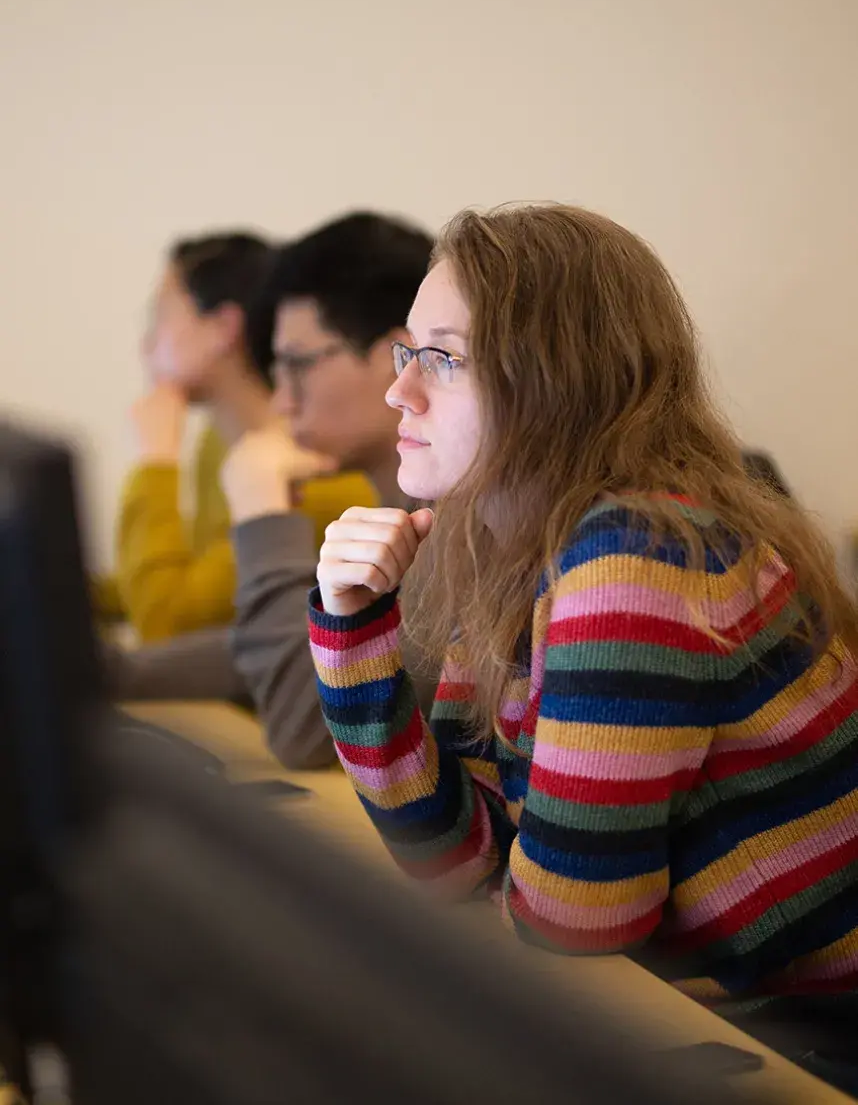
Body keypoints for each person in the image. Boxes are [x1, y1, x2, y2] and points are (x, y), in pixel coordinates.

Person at [306, 204, 858, 1081]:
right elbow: (456, 858)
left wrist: (487, 902)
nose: (398, 392)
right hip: (705, 1022)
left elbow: (570, 928)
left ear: (553, 379)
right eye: (407, 352)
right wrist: (349, 628)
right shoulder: (507, 547)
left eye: (442, 358)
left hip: (806, 1046)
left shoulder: (635, 557)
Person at [221, 212, 437, 767]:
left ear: (397, 355)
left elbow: (301, 725)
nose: (281, 402)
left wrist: (262, 514)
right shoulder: (400, 511)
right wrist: (106, 670)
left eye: (298, 365)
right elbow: (292, 648)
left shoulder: (452, 529)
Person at [96, 231, 373, 644]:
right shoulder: (217, 442)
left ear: (223, 327)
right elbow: (181, 578)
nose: (147, 342)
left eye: (162, 315)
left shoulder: (309, 479)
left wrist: (154, 463)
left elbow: (164, 621)